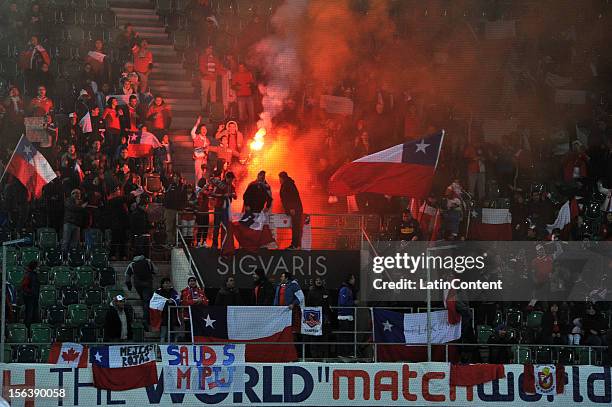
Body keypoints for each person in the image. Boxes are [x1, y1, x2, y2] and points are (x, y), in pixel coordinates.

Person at [125, 254, 157, 330]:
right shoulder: (148, 261)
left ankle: (146, 315)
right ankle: (145, 319)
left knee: (144, 299)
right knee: (147, 301)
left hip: (137, 284)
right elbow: (155, 270)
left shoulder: (132, 264)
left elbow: (127, 275)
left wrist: (129, 285)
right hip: (147, 283)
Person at [210, 171, 236, 249]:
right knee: (216, 226)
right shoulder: (220, 184)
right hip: (218, 208)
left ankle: (225, 244)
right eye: (230, 179)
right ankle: (215, 245)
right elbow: (213, 194)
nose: (231, 181)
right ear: (227, 178)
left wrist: (234, 195)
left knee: (227, 227)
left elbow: (235, 194)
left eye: (232, 180)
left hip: (227, 209)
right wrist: (223, 195)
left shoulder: (232, 186)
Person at [279, 171, 303, 249]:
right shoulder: (288, 184)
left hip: (295, 209)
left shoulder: (288, 184)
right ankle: (296, 244)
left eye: (280, 178)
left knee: (296, 227)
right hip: (295, 209)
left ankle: (295, 245)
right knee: (295, 227)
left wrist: (291, 208)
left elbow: (292, 197)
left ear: (282, 178)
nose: (279, 180)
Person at [164, 173, 188, 246]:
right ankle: (170, 242)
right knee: (169, 227)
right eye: (174, 176)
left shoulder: (183, 186)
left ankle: (176, 242)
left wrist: (183, 208)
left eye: (177, 177)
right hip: (170, 209)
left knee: (177, 227)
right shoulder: (170, 186)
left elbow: (185, 198)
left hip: (179, 210)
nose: (175, 178)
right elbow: (167, 196)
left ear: (179, 178)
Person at [199, 45, 224, 111]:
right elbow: (201, 67)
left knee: (213, 94)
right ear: (206, 49)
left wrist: (219, 73)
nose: (210, 50)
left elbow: (218, 67)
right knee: (204, 94)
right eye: (209, 48)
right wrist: (208, 73)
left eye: (211, 49)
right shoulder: (203, 57)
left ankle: (213, 109)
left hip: (213, 79)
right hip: (205, 79)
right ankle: (203, 107)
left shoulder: (215, 58)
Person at [155, 278, 181, 342]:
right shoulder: (158, 292)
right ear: (162, 284)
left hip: (173, 313)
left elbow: (177, 299)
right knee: (163, 327)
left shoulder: (173, 291)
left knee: (174, 326)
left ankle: (176, 342)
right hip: (162, 314)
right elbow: (155, 301)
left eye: (168, 283)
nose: (167, 284)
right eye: (166, 283)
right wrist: (166, 302)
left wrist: (172, 300)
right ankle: (162, 342)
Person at [337, 274, 357, 357]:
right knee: (345, 335)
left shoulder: (349, 289)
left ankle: (347, 353)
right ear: (349, 279)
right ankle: (343, 353)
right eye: (353, 278)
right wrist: (353, 303)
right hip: (344, 315)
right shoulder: (345, 289)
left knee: (348, 335)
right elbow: (342, 302)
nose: (354, 280)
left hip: (348, 315)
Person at [191, 116, 210, 183]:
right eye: (202, 129)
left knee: (204, 176)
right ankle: (198, 191)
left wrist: (205, 159)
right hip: (198, 159)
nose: (204, 130)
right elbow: (192, 132)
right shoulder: (197, 137)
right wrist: (197, 123)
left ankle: (203, 191)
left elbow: (207, 151)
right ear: (200, 130)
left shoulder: (207, 140)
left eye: (205, 129)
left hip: (204, 160)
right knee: (198, 176)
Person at [21, 261, 40, 328]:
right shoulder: (28, 275)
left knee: (34, 313)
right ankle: (28, 329)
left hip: (33, 297)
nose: (38, 268)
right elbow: (24, 286)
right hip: (29, 297)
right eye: (37, 266)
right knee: (29, 314)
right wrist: (31, 292)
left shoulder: (33, 274)